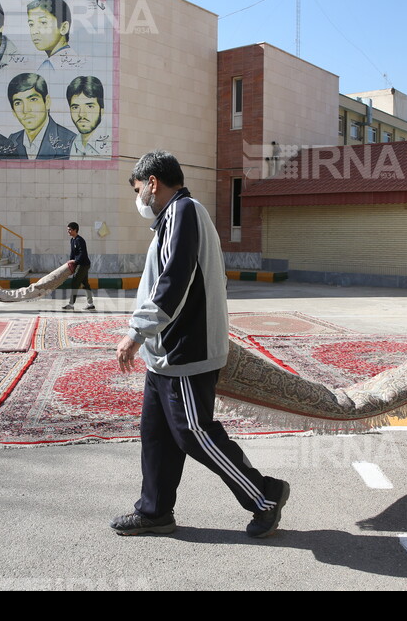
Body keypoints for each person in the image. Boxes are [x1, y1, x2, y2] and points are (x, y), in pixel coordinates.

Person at [111, 150, 290, 538]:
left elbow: (174, 282)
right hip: (165, 354)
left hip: (184, 353)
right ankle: (155, 510)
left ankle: (264, 494)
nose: (139, 198)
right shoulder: (171, 219)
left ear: (153, 183)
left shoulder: (183, 212)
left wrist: (134, 333)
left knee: (195, 432)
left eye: (139, 189)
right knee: (157, 436)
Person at [7, 73, 75, 159]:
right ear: (13, 111)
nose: (26, 110)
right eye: (18, 103)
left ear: (47, 102)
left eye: (33, 99)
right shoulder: (12, 140)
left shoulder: (70, 141)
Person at [26, 0, 81, 72]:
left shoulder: (50, 66)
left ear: (63, 28)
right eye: (31, 24)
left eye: (43, 22)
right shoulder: (75, 60)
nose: (34, 31)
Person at [67, 76, 112, 159]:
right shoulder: (71, 145)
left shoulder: (111, 145)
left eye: (89, 106)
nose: (81, 114)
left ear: (101, 110)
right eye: (75, 107)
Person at [62, 222, 95, 311]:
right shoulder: (72, 240)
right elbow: (73, 253)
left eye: (69, 229)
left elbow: (82, 254)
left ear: (75, 230)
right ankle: (90, 304)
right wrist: (71, 263)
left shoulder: (80, 240)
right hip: (79, 264)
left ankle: (71, 304)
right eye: (68, 229)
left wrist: (75, 261)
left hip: (83, 264)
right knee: (85, 284)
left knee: (74, 283)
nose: (68, 231)